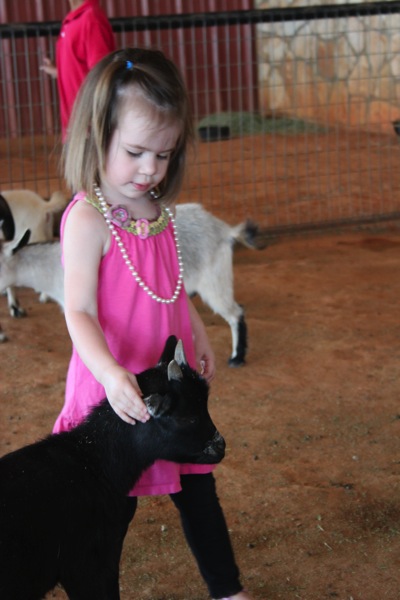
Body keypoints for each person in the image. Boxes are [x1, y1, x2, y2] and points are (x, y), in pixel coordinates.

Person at [54, 46, 253, 600]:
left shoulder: (159, 212)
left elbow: (171, 287)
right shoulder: (88, 219)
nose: (150, 170)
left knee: (199, 490)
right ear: (97, 137)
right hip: (117, 394)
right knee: (109, 508)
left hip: (170, 386)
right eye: (136, 152)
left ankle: (228, 591)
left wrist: (198, 331)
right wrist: (110, 373)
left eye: (164, 155)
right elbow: (78, 310)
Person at [40, 0, 115, 141]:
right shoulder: (75, 19)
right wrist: (59, 72)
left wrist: (90, 122)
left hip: (87, 128)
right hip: (75, 126)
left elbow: (102, 74)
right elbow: (83, 69)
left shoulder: (91, 20)